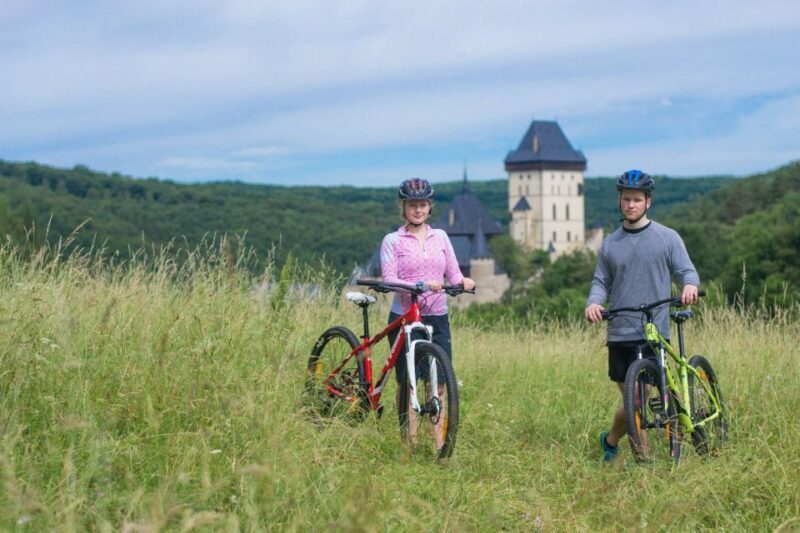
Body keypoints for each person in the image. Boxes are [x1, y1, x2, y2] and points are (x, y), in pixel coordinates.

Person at [584, 169, 700, 462]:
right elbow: (601, 281)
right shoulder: (611, 243)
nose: (631, 205)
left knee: (637, 399)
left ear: (648, 202)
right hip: (620, 331)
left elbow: (687, 271)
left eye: (637, 199)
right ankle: (620, 445)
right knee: (633, 402)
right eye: (626, 199)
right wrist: (594, 303)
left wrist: (689, 286)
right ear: (620, 201)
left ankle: (638, 458)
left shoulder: (667, 237)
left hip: (653, 331)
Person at [381, 177, 475, 450]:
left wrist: (463, 281)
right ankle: (408, 444)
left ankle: (438, 444)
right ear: (404, 207)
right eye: (412, 205)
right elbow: (389, 279)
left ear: (430, 207)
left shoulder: (441, 237)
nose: (418, 210)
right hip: (406, 316)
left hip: (437, 316)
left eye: (422, 204)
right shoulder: (393, 240)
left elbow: (453, 272)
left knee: (440, 383)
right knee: (408, 382)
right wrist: (418, 286)